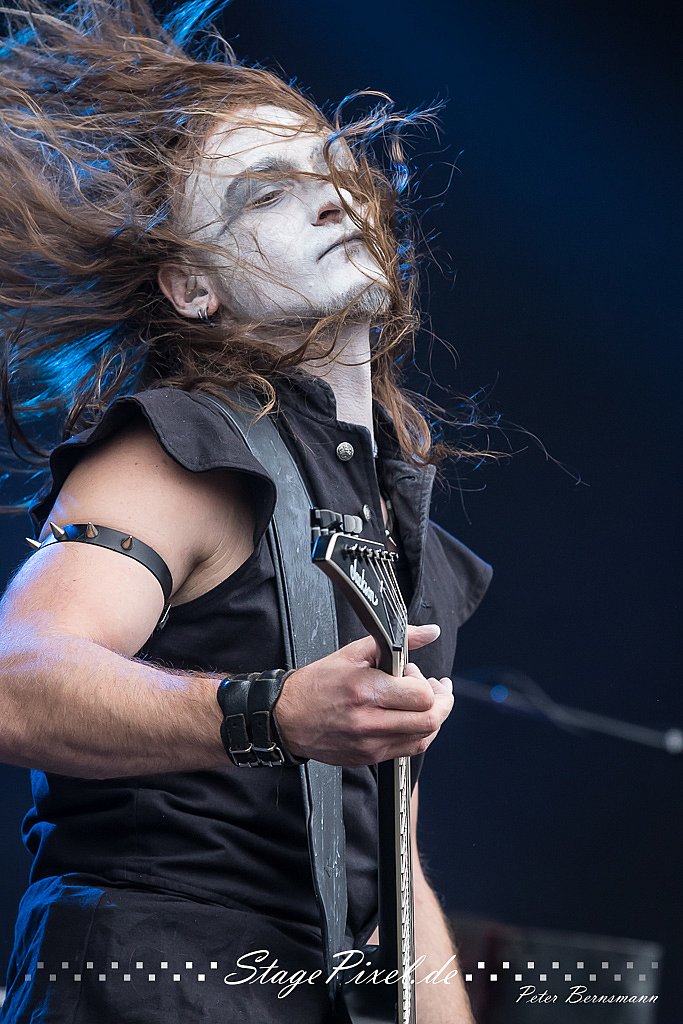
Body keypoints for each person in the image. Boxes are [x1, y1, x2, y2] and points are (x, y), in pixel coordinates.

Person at [0, 1, 493, 1020]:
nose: (329, 198)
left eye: (331, 168)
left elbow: (389, 853)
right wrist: (269, 712)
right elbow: (14, 681)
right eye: (268, 192)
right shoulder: (180, 450)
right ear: (193, 287)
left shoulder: (392, 516)